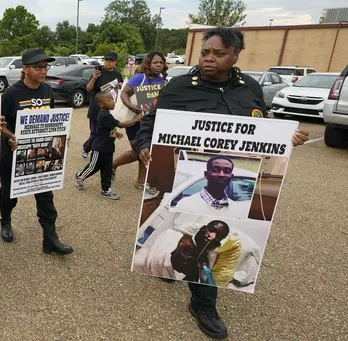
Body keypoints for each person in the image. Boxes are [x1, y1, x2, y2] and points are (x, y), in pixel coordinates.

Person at [133, 27, 309, 340]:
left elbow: (262, 128)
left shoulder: (250, 88)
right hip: (187, 176)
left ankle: (203, 303)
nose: (209, 59)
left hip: (234, 184)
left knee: (212, 240)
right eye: (205, 52)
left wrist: (285, 138)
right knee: (176, 229)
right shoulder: (180, 87)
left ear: (235, 56)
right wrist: (144, 144)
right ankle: (177, 273)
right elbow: (152, 121)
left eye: (218, 53)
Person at [0, 47, 74, 256]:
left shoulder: (47, 91)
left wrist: (61, 134)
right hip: (14, 154)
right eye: (38, 67)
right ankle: (5, 220)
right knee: (8, 194)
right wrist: (11, 136)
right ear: (25, 69)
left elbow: (49, 119)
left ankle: (50, 238)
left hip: (42, 153)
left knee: (45, 195)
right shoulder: (11, 94)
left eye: (45, 66)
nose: (43, 71)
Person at [112, 52, 167, 190]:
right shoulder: (139, 78)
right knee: (139, 151)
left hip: (151, 121)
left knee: (144, 150)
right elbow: (124, 93)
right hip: (135, 121)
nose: (159, 65)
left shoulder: (163, 82)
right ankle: (116, 166)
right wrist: (133, 107)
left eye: (161, 62)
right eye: (155, 62)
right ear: (148, 64)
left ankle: (138, 180)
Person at [75, 91, 139, 199]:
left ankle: (106, 190)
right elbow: (121, 125)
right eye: (109, 100)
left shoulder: (108, 114)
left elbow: (107, 127)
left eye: (112, 99)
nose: (112, 102)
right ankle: (80, 177)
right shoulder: (104, 115)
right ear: (101, 104)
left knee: (107, 170)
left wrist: (115, 133)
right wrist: (137, 118)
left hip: (108, 148)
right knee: (93, 167)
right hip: (99, 148)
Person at [174, 155, 249, 219]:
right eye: (215, 170)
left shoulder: (237, 209)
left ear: (231, 177)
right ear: (206, 174)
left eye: (227, 171)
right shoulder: (186, 205)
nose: (221, 174)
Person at [82, 52, 123, 158]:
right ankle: (86, 148)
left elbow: (122, 89)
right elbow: (88, 89)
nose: (108, 62)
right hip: (96, 108)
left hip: (111, 109)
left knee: (110, 134)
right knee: (95, 133)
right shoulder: (97, 73)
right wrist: (94, 78)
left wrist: (121, 85)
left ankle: (104, 153)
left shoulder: (118, 75)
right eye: (106, 60)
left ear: (115, 62)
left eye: (111, 60)